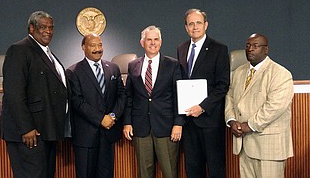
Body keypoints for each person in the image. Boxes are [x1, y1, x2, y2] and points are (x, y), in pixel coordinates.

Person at [0, 11, 70, 178]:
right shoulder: (19, 50)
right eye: (43, 27)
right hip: (30, 134)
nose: (48, 31)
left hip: (46, 131)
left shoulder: (46, 52)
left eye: (51, 27)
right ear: (31, 28)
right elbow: (13, 93)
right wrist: (26, 128)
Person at [225, 33, 294, 178]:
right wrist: (231, 120)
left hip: (268, 146)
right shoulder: (238, 72)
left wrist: (248, 125)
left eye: (255, 46)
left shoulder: (280, 74)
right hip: (244, 145)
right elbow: (230, 97)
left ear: (266, 50)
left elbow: (274, 107)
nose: (250, 49)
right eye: (248, 46)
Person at [123, 25, 183, 178]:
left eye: (156, 39)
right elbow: (129, 96)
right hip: (141, 127)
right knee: (144, 173)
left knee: (170, 172)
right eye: (149, 39)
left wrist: (178, 123)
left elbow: (178, 96)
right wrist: (127, 122)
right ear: (142, 42)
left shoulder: (173, 64)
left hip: (166, 127)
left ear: (161, 42)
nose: (153, 43)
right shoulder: (133, 65)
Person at [177, 9, 230, 178]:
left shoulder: (219, 49)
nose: (195, 27)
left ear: (206, 25)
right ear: (186, 27)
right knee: (192, 169)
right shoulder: (181, 48)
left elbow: (223, 85)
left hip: (210, 120)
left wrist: (202, 107)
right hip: (188, 121)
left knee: (215, 169)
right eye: (191, 24)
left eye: (198, 23)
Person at [66, 33, 125, 178]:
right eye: (92, 45)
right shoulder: (73, 72)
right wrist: (100, 119)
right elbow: (77, 102)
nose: (97, 49)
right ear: (83, 47)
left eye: (100, 45)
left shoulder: (113, 68)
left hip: (108, 134)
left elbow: (122, 95)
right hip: (86, 136)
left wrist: (112, 116)